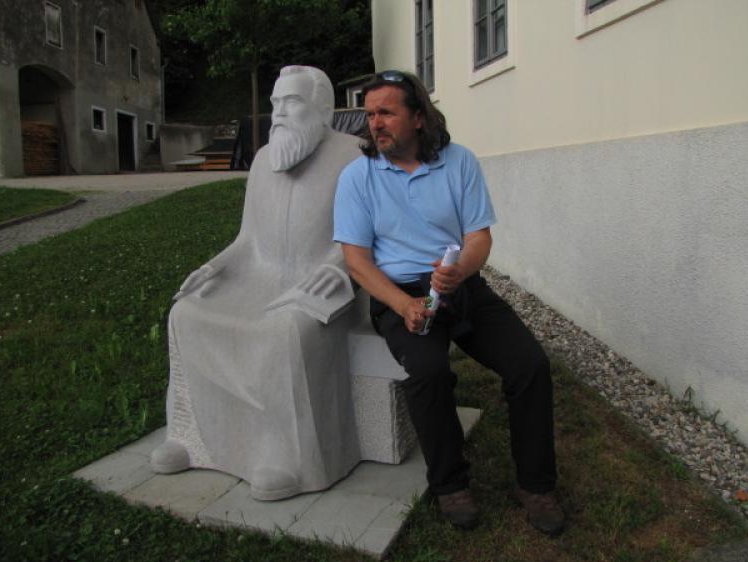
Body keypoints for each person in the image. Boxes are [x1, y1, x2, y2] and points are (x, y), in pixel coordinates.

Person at [333, 70, 565, 534]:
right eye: (370, 114)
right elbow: (356, 261)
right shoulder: (358, 177)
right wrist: (403, 305)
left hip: (460, 287)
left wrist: (460, 271)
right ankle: (450, 484)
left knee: (530, 366)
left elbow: (478, 237)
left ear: (418, 117)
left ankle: (536, 485)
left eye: (386, 113)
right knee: (429, 373)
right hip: (400, 294)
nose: (375, 123)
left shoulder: (459, 162)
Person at [150, 66, 364, 501]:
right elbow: (247, 240)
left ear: (324, 109)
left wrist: (339, 266)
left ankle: (287, 458)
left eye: (292, 101)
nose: (278, 112)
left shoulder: (356, 157)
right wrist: (214, 266)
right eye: (275, 103)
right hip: (257, 276)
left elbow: (366, 235)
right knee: (186, 312)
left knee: (288, 329)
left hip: (325, 281)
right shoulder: (265, 160)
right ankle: (191, 438)